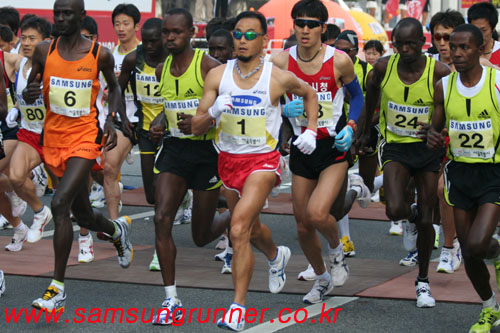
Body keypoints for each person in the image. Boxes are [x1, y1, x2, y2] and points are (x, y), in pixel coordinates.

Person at [192, 10, 317, 331]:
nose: (243, 40)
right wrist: (215, 110)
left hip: (263, 162)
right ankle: (277, 256)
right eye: (238, 33)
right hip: (229, 161)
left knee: (237, 229)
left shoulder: (276, 76)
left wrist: (311, 130)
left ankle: (237, 307)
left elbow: (310, 93)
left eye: (251, 35)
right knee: (252, 229)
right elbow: (195, 126)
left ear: (264, 40)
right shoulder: (218, 76)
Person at [22, 0, 133, 312]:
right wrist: (31, 92)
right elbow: (33, 84)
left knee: (59, 205)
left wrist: (111, 120)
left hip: (85, 137)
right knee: (82, 215)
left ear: (81, 16)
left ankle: (57, 288)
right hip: (53, 138)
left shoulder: (101, 54)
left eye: (67, 13)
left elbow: (116, 88)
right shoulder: (45, 50)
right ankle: (115, 230)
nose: (60, 18)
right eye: (57, 13)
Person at [272, 0, 363, 304]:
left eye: (312, 24)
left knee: (317, 213)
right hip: (302, 146)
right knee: (301, 223)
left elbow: (358, 97)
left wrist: (350, 126)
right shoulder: (281, 61)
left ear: (324, 28)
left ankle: (337, 251)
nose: (305, 29)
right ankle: (322, 277)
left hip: (332, 145)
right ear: (293, 26)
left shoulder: (339, 61)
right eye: (300, 23)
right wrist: (286, 108)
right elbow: (266, 99)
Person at [359, 17, 450, 308]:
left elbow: (453, 110)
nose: (407, 49)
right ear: (394, 44)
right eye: (401, 44)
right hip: (396, 146)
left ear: (423, 44)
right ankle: (409, 217)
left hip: (427, 151)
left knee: (427, 218)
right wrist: (363, 134)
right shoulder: (384, 68)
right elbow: (369, 99)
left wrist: (440, 132)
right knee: (394, 208)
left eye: (413, 43)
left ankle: (422, 281)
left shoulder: (439, 72)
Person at [148, 8, 231, 325]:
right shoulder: (161, 70)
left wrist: (205, 120)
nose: (169, 38)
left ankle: (236, 215)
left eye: (176, 32)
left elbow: (231, 105)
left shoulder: (210, 67)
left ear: (191, 33)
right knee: (161, 216)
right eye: (166, 32)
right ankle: (171, 300)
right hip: (174, 149)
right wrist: (158, 123)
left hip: (206, 151)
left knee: (200, 235)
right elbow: (168, 109)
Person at [427, 23, 500, 333]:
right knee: (469, 251)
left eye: (463, 47)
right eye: (452, 47)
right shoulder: (445, 86)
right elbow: (436, 126)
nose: (456, 53)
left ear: (480, 48)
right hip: (460, 173)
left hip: (494, 173)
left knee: (478, 241)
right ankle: (489, 308)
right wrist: (431, 135)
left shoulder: (496, 82)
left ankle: (494, 249)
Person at [118, 17, 168, 270]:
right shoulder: (132, 59)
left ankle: (160, 251)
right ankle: (181, 200)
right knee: (150, 194)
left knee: (161, 194)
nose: (148, 46)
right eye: (145, 41)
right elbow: (118, 89)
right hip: (145, 130)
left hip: (170, 133)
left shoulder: (172, 59)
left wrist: (167, 120)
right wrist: (124, 117)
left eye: (154, 41)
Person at [7, 16, 53, 247]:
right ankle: (40, 211)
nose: (26, 43)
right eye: (23, 38)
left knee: (72, 197)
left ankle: (85, 236)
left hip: (54, 136)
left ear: (46, 41)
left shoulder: (53, 67)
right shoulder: (19, 64)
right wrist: (15, 110)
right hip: (28, 133)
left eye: (32, 39)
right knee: (14, 176)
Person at [427, 10, 466, 274]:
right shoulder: (426, 65)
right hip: (436, 139)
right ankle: (450, 247)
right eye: (438, 36)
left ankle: (457, 242)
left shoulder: (480, 67)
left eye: (448, 37)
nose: (442, 42)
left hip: (470, 141)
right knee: (441, 191)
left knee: (451, 192)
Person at [334, 29, 374, 258]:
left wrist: (361, 130)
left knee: (354, 184)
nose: (340, 54)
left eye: (345, 51)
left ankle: (359, 186)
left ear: (356, 52)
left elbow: (368, 102)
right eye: (336, 49)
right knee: (333, 189)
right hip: (336, 130)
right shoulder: (330, 65)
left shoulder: (367, 71)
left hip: (360, 130)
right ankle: (344, 240)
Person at [100, 3, 141, 219]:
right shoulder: (108, 55)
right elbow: (100, 88)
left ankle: (185, 198)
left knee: (162, 179)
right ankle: (116, 225)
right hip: (120, 120)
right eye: (117, 24)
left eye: (126, 23)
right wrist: (108, 95)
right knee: (109, 168)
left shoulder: (146, 52)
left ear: (137, 26)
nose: (121, 28)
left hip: (147, 120)